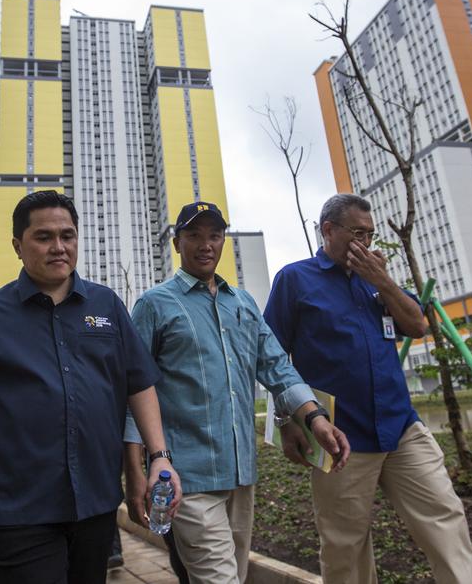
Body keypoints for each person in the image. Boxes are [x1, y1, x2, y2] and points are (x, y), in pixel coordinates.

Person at [0, 190, 180, 584]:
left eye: (68, 235)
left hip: (94, 505)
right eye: (44, 237)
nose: (59, 247)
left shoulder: (107, 306)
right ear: (17, 245)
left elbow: (140, 384)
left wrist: (159, 456)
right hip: (16, 511)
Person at [125, 200, 349, 583]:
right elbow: (133, 390)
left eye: (214, 235)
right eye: (193, 235)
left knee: (232, 575)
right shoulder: (154, 305)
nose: (205, 244)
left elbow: (276, 366)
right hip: (186, 477)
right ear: (176, 243)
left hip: (242, 473)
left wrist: (314, 416)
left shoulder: (243, 303)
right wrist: (133, 473)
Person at [263, 193, 472, 584]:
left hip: (401, 427)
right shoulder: (294, 279)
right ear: (329, 230)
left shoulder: (375, 280)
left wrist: (381, 279)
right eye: (358, 233)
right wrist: (286, 420)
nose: (366, 244)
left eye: (371, 235)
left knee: (446, 519)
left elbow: (417, 326)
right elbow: (271, 357)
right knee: (345, 545)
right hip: (339, 435)